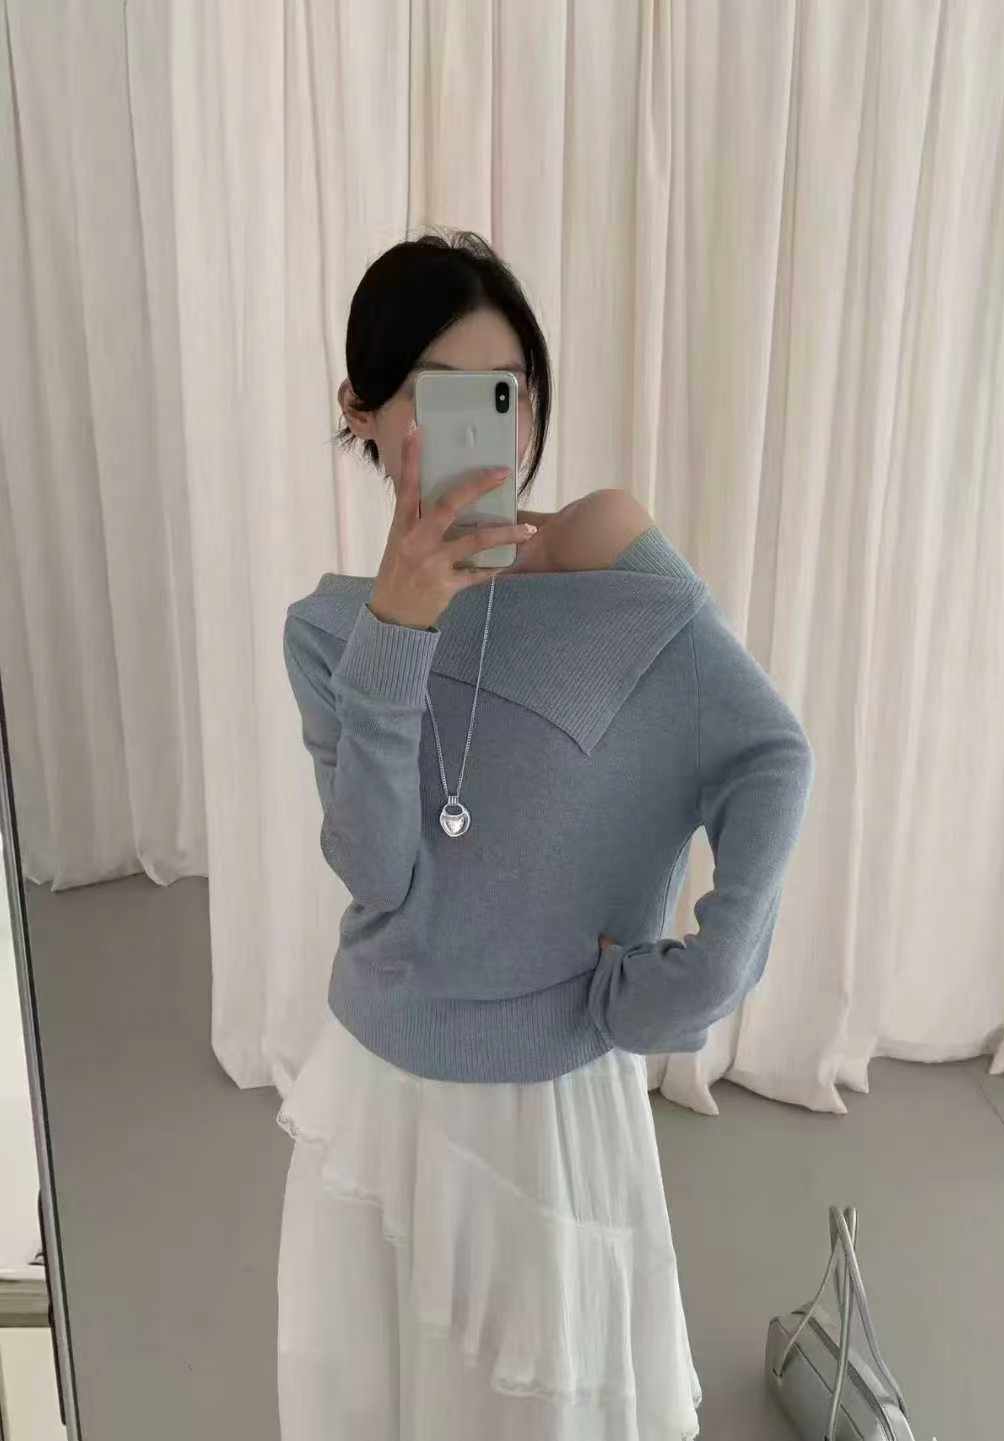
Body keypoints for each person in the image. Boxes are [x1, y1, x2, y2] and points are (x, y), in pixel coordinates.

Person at [276, 228, 815, 1439]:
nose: (497, 432)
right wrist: (400, 630)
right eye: (444, 395)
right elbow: (377, 873)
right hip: (386, 1095)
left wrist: (710, 971)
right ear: (364, 414)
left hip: (555, 1105)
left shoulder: (604, 555)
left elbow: (767, 751)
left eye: (508, 392)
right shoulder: (329, 633)